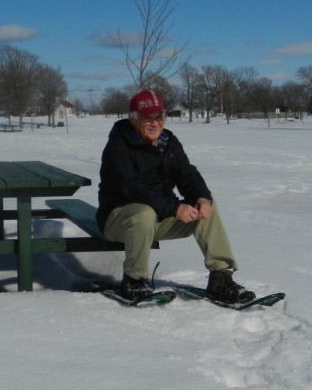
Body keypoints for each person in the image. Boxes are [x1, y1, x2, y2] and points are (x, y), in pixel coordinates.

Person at [96, 89, 255, 303]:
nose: (155, 123)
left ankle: (220, 278)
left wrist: (201, 197)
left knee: (207, 208)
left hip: (158, 217)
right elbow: (131, 187)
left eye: (159, 117)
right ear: (133, 118)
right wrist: (173, 208)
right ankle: (134, 280)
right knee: (144, 213)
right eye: (147, 118)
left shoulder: (167, 141)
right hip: (118, 221)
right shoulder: (118, 145)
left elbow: (186, 173)